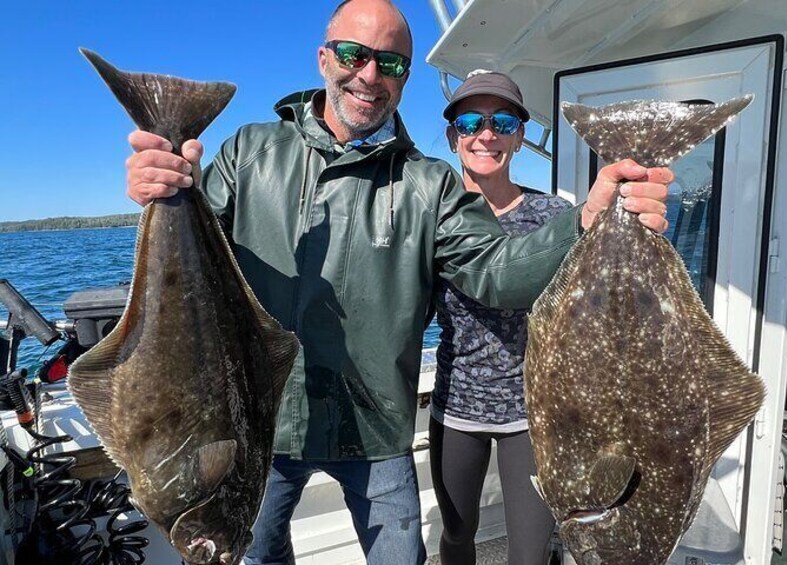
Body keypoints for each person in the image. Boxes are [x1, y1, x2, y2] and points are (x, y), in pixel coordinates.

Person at [124, 1, 673, 563]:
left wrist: (585, 220)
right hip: (261, 425)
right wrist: (166, 190)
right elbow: (196, 269)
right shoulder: (250, 151)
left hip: (376, 430)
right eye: (353, 54)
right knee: (258, 554)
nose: (369, 75)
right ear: (323, 59)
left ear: (405, 79)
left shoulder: (429, 184)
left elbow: (497, 273)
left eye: (390, 63)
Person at [428, 70, 564, 565]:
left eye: (503, 121)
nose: (486, 134)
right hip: (456, 406)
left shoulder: (554, 216)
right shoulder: (432, 218)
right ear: (453, 136)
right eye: (470, 121)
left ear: (520, 136)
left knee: (529, 554)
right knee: (457, 537)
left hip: (532, 414)